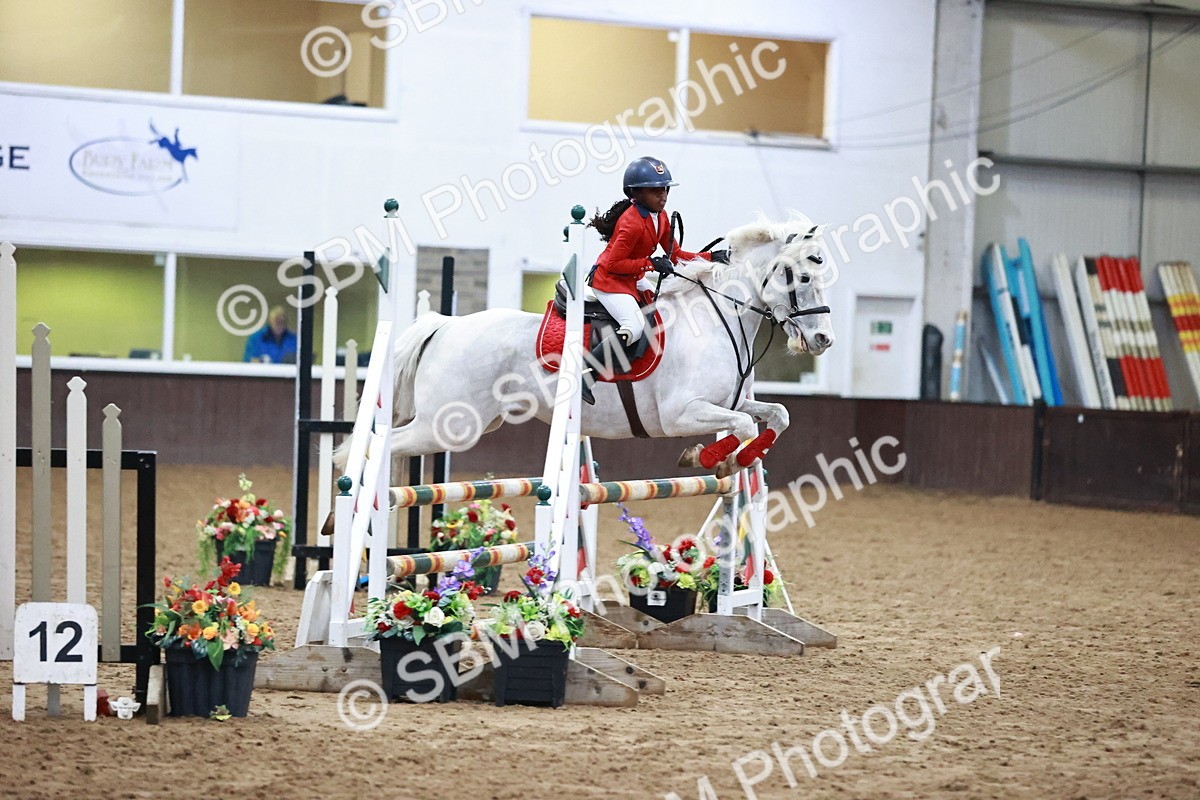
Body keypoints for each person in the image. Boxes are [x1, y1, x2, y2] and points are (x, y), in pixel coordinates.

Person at [582, 156, 730, 404]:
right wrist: (651, 264)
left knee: (663, 311)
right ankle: (587, 373)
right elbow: (613, 264)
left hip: (632, 277)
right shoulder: (630, 224)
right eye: (655, 190)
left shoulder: (660, 217)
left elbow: (677, 254)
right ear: (637, 193)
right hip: (610, 281)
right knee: (634, 326)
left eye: (665, 189)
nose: (663, 195)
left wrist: (711, 257)